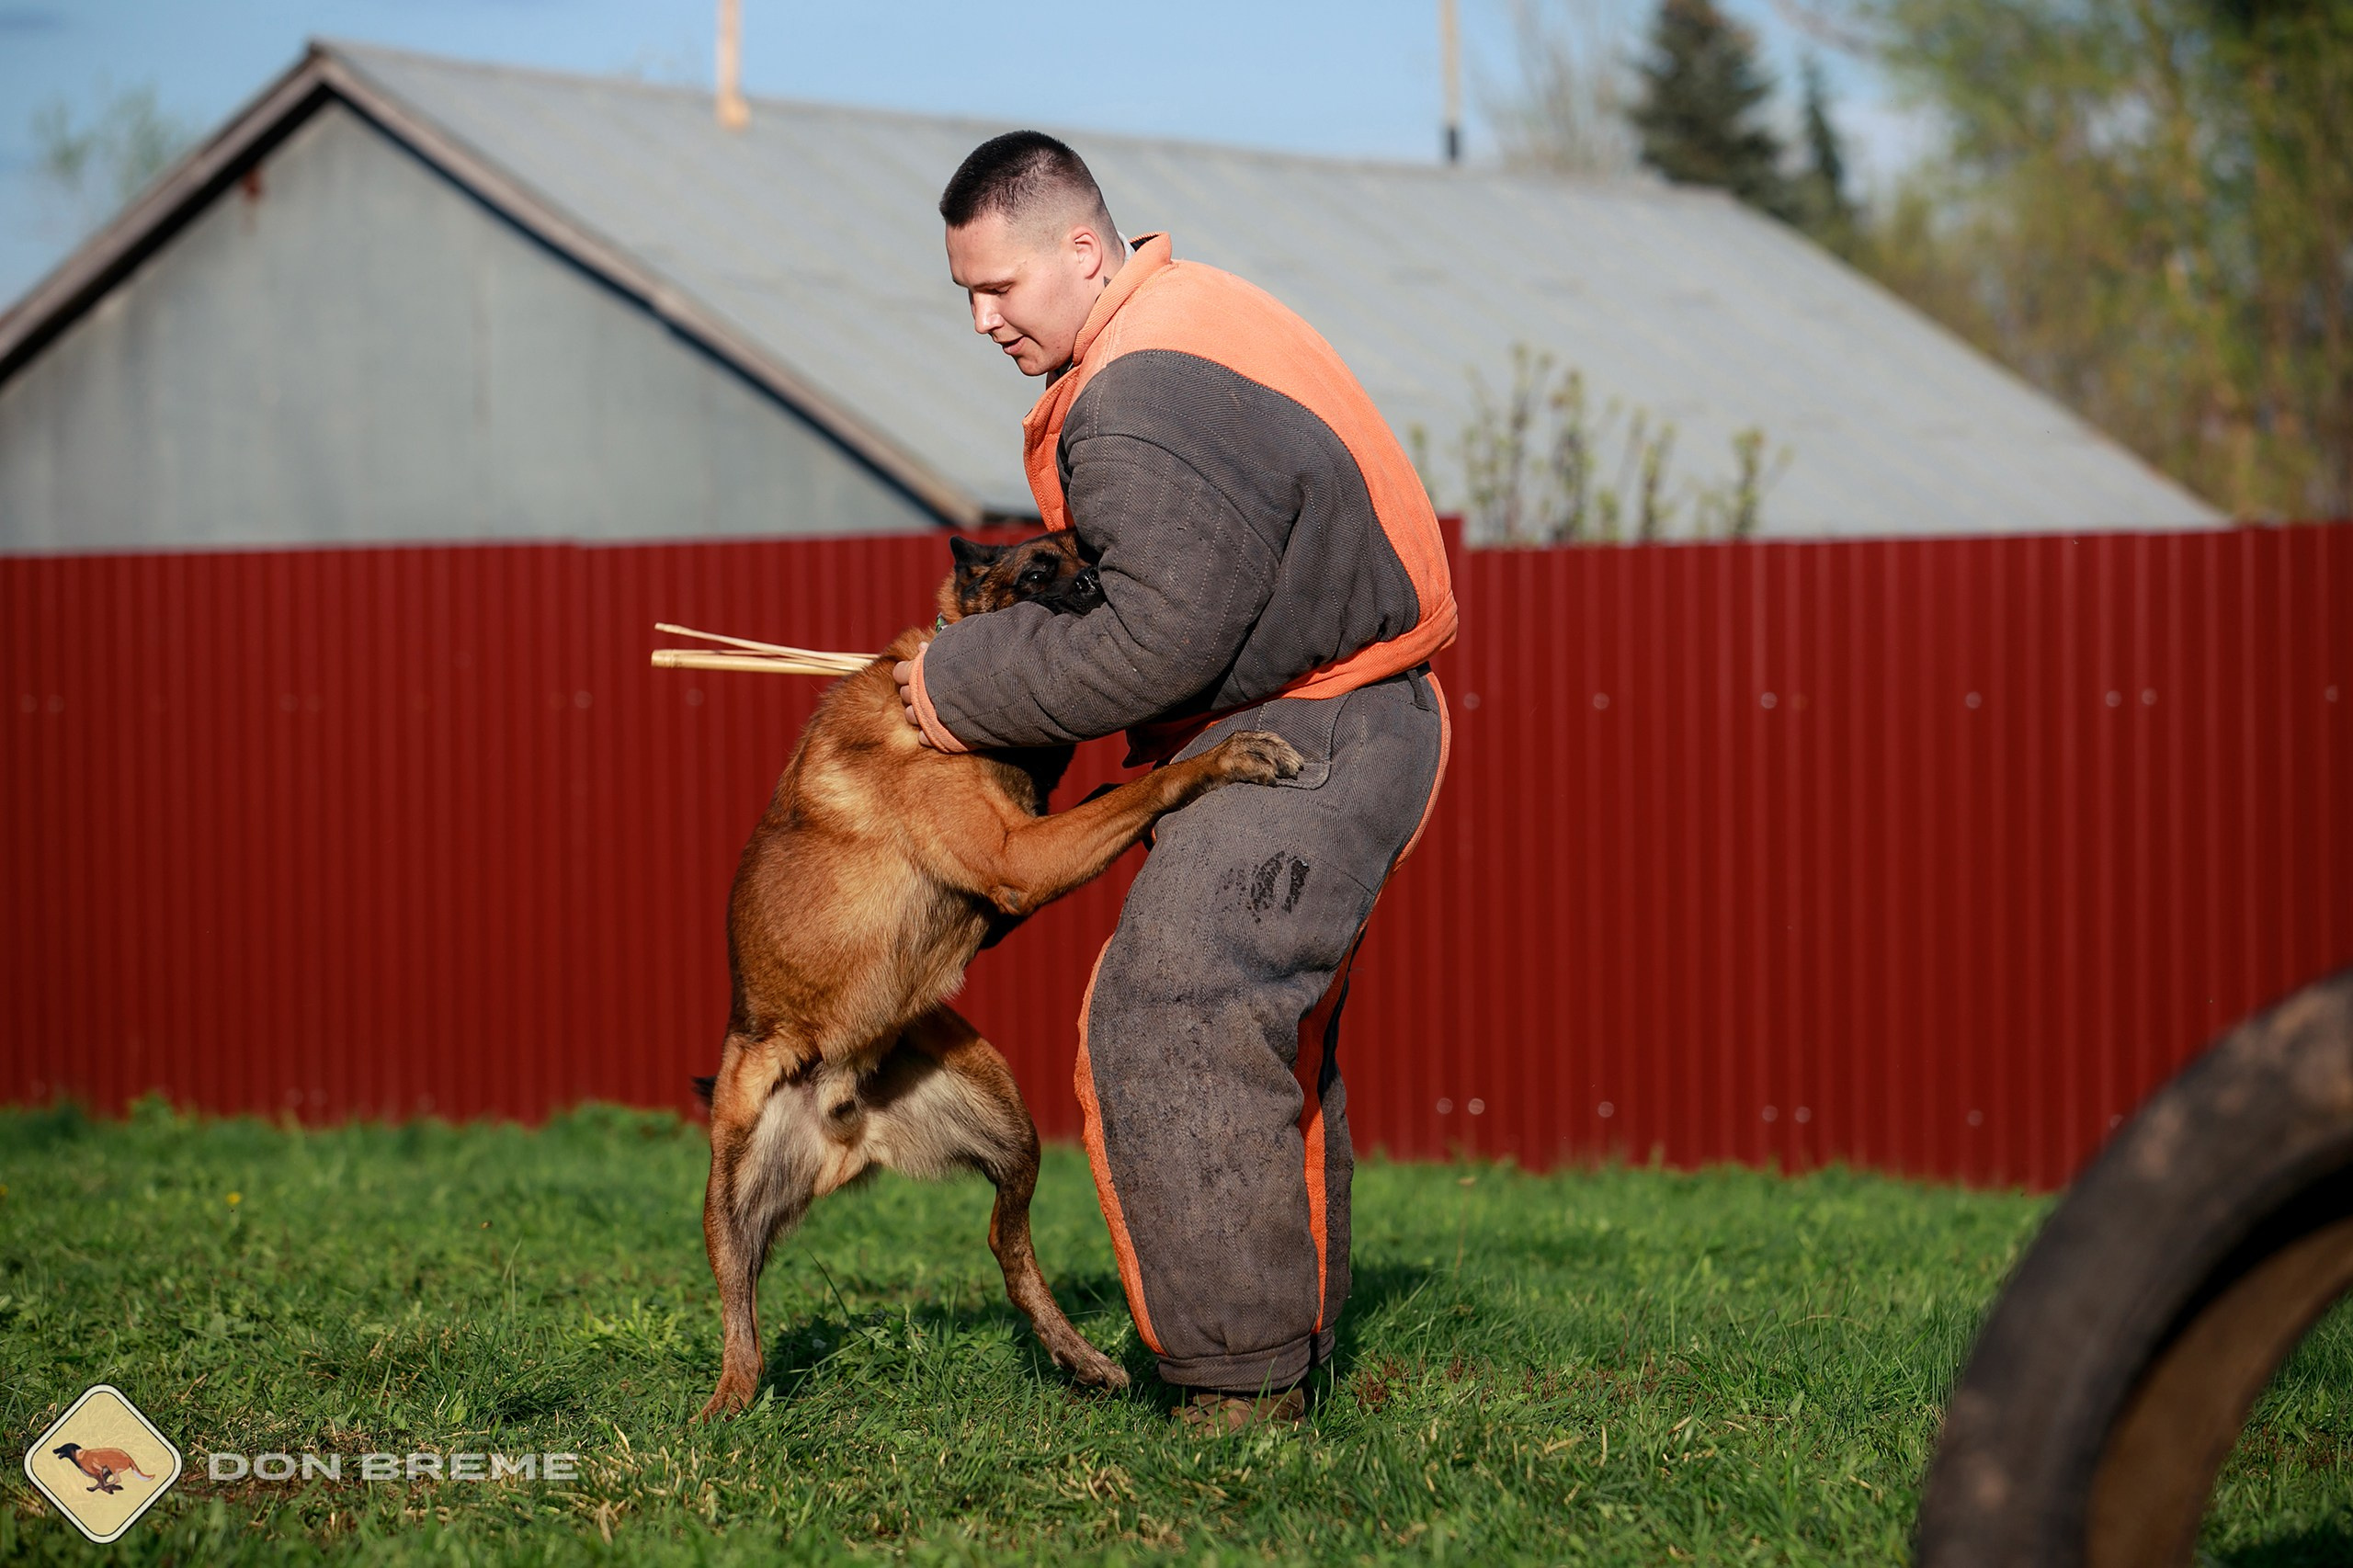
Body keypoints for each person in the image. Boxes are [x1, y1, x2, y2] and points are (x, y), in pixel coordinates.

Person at [892, 131, 1456, 1432]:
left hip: (1314, 726)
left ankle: (1238, 1401)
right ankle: (1277, 1353)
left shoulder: (1136, 393)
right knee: (1257, 1025)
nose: (981, 320)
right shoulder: (1192, 311)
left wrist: (955, 686)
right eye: (965, 293)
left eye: (1002, 289)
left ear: (1082, 252)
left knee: (1180, 1008)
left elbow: (1159, 639)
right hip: (1347, 709)